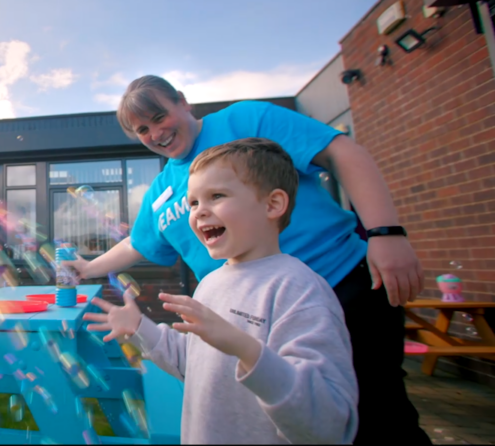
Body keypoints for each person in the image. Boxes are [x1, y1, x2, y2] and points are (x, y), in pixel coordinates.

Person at [66, 75, 429, 444]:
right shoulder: (161, 190)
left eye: (159, 116)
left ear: (183, 101)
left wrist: (386, 233)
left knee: (372, 417)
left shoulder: (245, 122)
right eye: (143, 129)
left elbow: (341, 152)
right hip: (245, 320)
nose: (155, 132)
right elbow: (139, 243)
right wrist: (89, 268)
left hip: (341, 287)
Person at [85, 138, 358, 444]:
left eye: (216, 196)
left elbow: (329, 426)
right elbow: (196, 363)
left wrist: (246, 349)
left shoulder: (299, 291)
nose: (199, 212)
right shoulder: (212, 283)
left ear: (273, 204)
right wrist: (139, 328)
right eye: (193, 202)